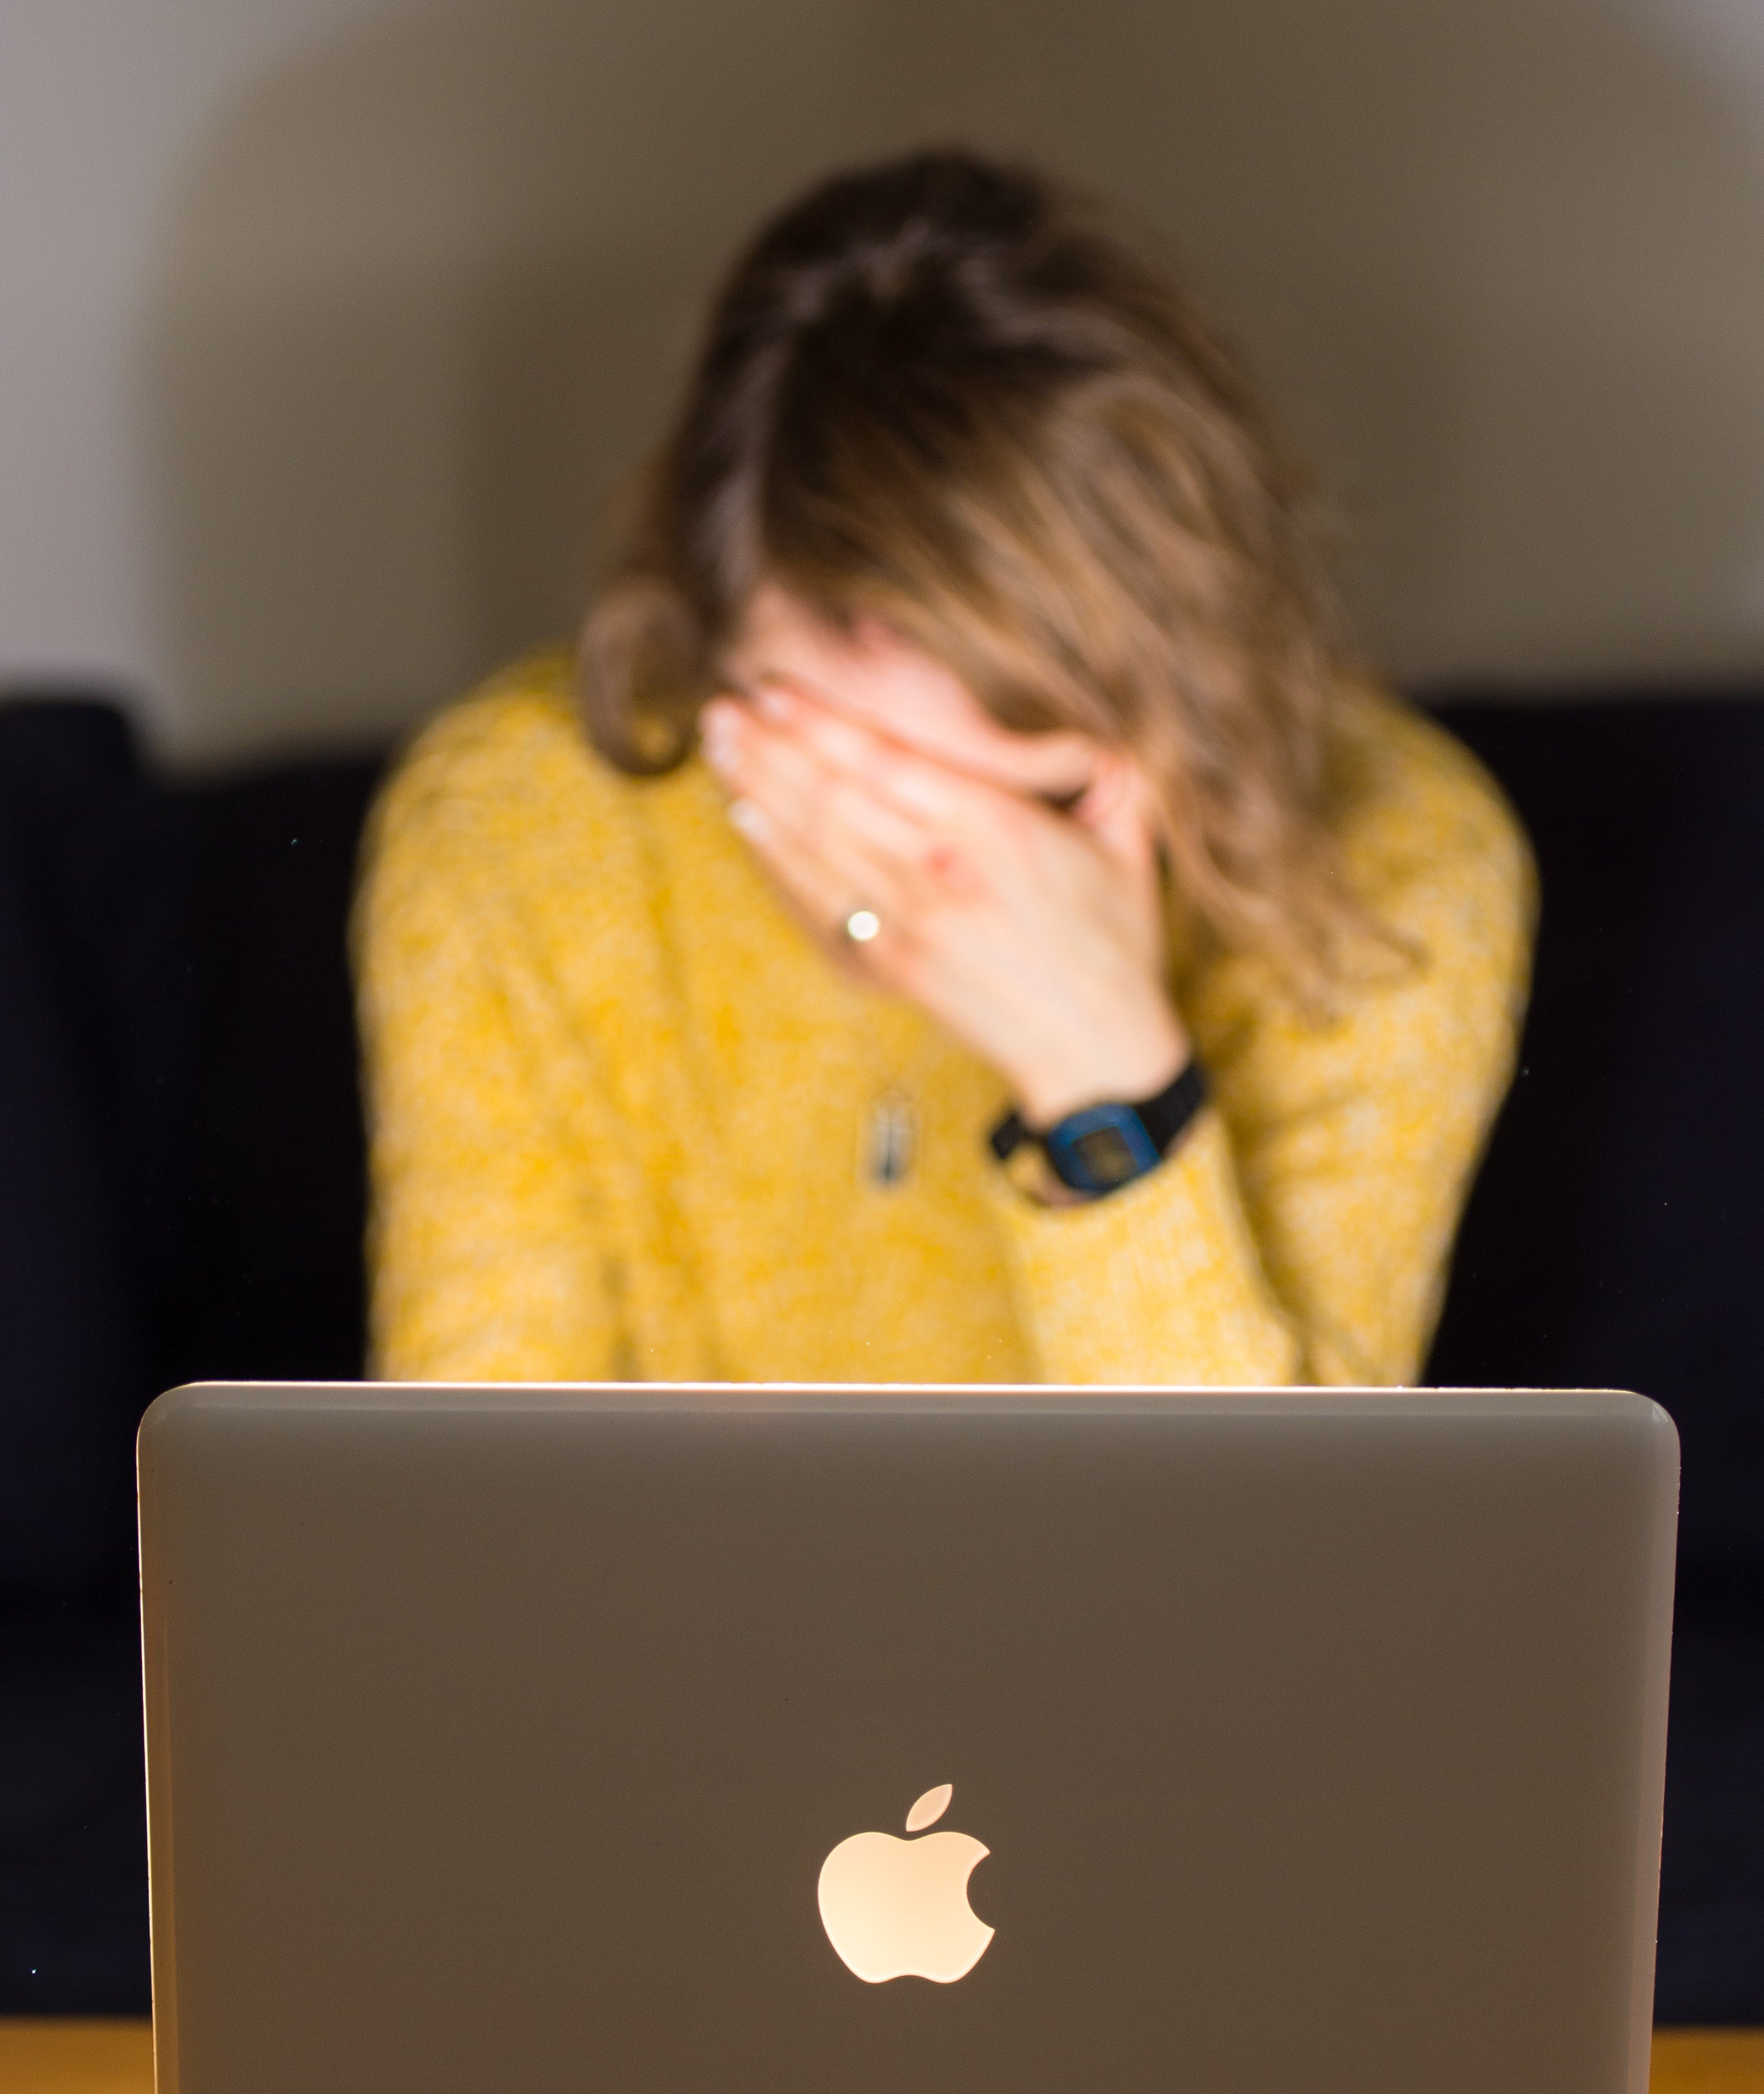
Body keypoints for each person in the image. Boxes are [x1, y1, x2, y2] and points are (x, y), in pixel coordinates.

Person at [353, 149, 1533, 1389]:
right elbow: (476, 1505)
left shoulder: (1401, 861)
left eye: (1040, 803)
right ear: (704, 653)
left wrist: (1104, 1086)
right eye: (834, 766)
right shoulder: (516, 823)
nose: (925, 874)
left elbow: (1258, 1568)